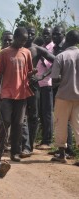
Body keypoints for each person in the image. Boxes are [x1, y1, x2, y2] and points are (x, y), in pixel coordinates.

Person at [0, 27, 35, 162]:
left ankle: (14, 152)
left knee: (18, 124)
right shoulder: (4, 53)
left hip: (22, 93)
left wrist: (32, 74)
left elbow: (28, 72)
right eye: (22, 39)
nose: (24, 42)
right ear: (16, 37)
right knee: (5, 121)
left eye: (26, 40)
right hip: (6, 92)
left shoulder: (27, 53)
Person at [21, 26, 55, 157]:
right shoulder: (17, 49)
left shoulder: (38, 49)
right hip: (18, 87)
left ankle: (28, 147)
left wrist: (43, 75)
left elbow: (56, 61)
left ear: (35, 35)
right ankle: (20, 144)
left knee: (33, 117)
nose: (30, 36)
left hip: (33, 86)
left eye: (32, 34)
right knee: (20, 116)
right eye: (28, 33)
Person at [50, 30, 79, 164]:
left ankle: (62, 154)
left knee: (60, 123)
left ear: (66, 40)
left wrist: (64, 79)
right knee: (78, 125)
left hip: (63, 96)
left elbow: (54, 79)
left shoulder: (61, 56)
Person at [34, 27, 55, 150]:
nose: (46, 35)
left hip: (47, 84)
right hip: (37, 84)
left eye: (48, 34)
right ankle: (43, 139)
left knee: (47, 114)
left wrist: (43, 58)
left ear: (52, 35)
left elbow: (54, 66)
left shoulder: (52, 48)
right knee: (40, 113)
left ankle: (48, 141)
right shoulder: (40, 46)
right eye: (44, 33)